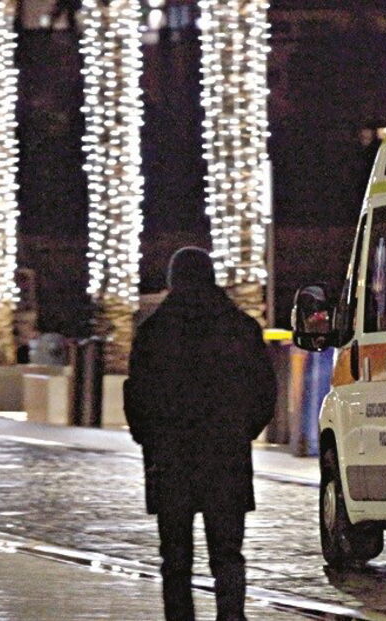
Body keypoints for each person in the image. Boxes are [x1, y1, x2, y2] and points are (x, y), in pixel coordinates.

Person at [124, 247, 277, 621]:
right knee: (227, 552)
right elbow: (264, 391)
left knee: (175, 557)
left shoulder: (154, 332)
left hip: (170, 456)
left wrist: (151, 438)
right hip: (225, 455)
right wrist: (241, 431)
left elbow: (136, 395)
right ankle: (231, 616)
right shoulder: (240, 328)